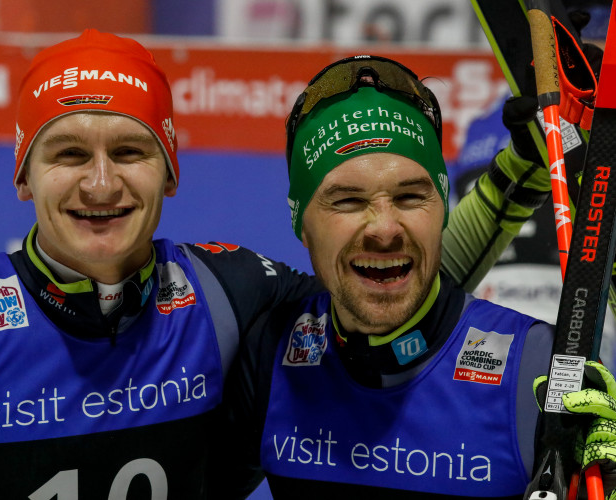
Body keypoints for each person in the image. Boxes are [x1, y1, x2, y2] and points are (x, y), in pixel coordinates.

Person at [0, 29, 321, 499]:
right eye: (70, 154)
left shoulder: (231, 293)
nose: (102, 185)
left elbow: (369, 321)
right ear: (24, 176)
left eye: (129, 152)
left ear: (169, 173)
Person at [212, 55, 616, 499]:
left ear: (442, 207)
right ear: (300, 223)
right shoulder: (269, 353)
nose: (384, 229)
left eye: (410, 196)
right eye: (346, 201)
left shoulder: (539, 372)